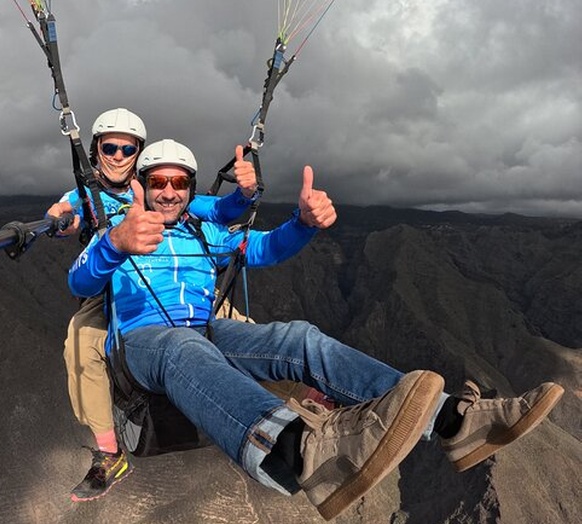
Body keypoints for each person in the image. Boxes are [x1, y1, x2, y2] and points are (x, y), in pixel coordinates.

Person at [67, 138, 565, 520]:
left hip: (205, 330)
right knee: (180, 346)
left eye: (180, 183)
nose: (170, 192)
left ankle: (455, 421)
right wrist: (116, 242)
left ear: (191, 189)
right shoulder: (123, 229)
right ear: (145, 185)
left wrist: (303, 224)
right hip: (141, 346)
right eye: (160, 182)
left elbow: (262, 249)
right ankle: (297, 450)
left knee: (297, 337)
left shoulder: (207, 232)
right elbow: (79, 278)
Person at [44, 108, 259, 501]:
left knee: (243, 328)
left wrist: (245, 193)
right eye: (110, 147)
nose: (119, 156)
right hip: (115, 286)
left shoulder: (159, 185)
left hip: (177, 281)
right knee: (80, 342)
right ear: (96, 150)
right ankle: (109, 451)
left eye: (129, 149)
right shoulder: (87, 194)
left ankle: (303, 392)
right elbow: (65, 216)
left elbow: (218, 210)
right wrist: (61, 223)